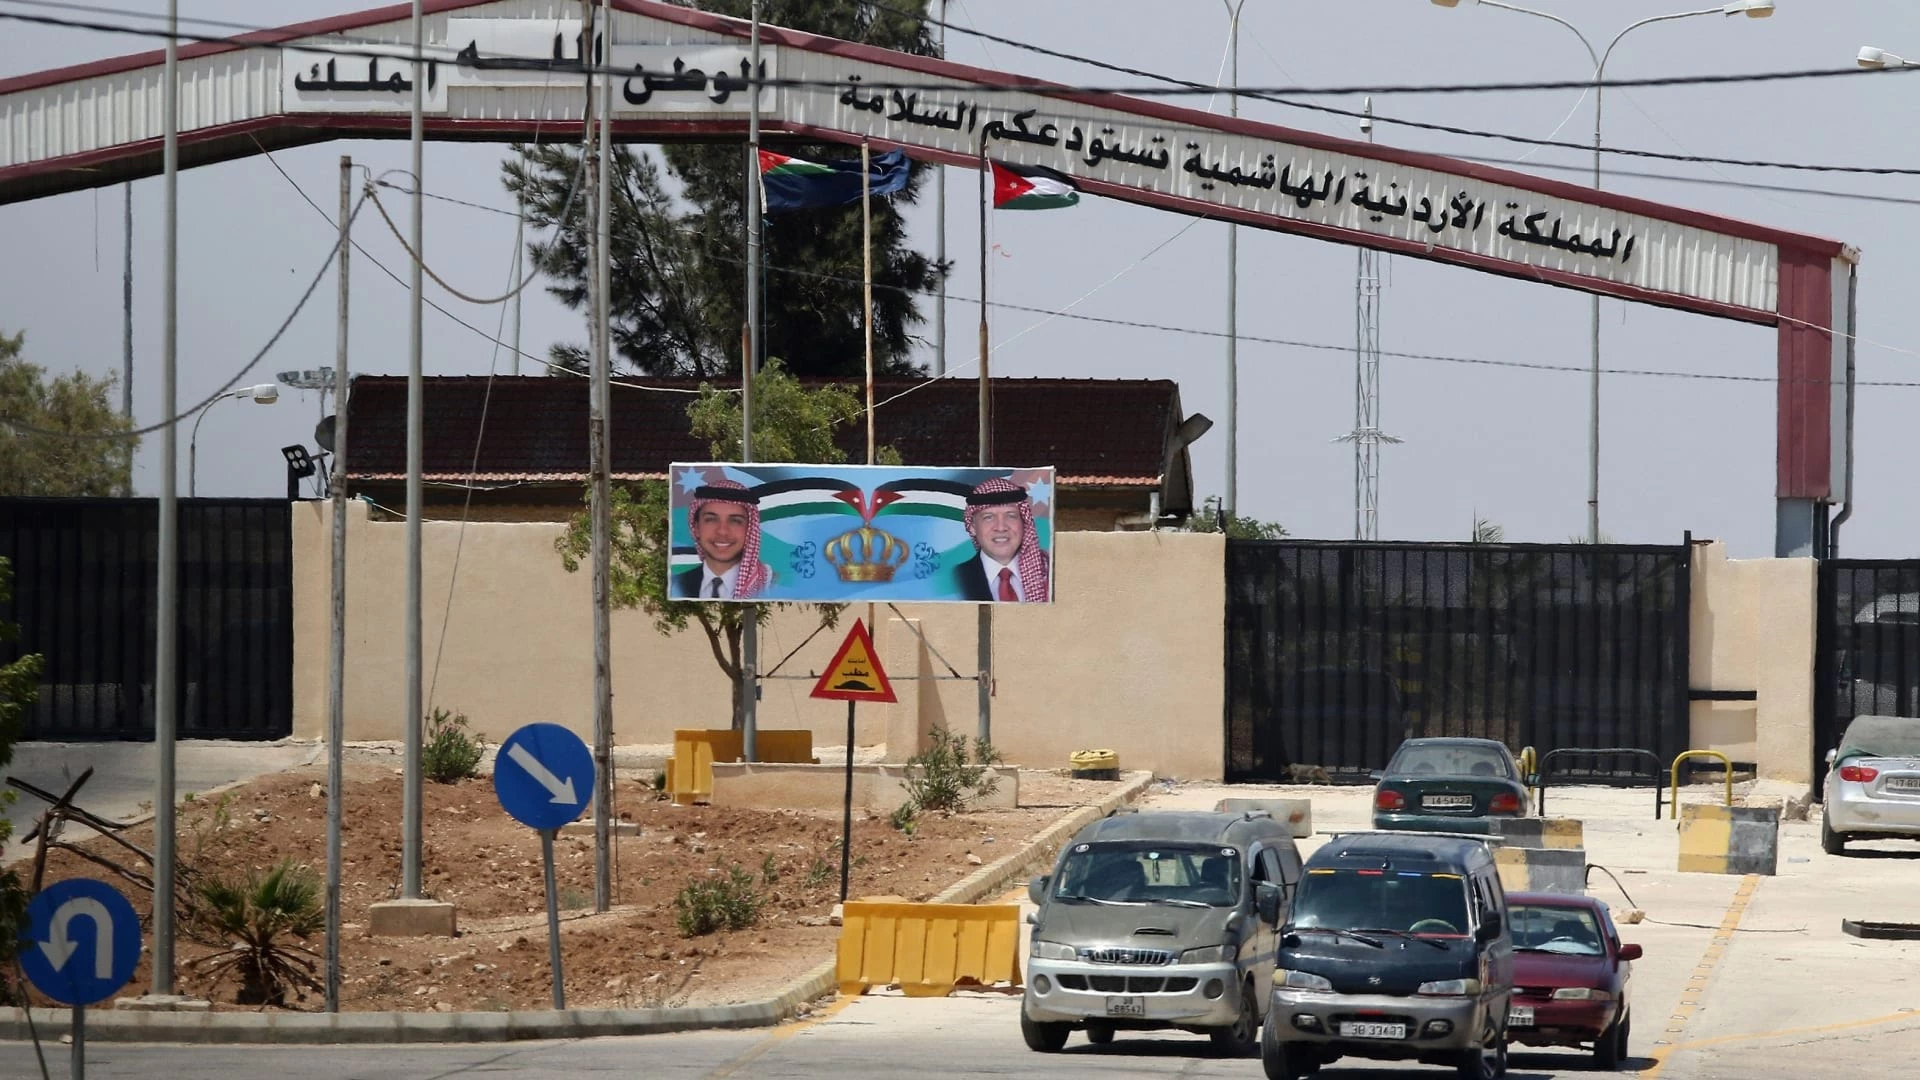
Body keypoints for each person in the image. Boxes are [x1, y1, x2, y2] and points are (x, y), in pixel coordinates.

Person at [956, 477, 1051, 602]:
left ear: (1024, 523)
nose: (1001, 528)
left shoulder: (1050, 572)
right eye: (988, 517)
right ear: (972, 527)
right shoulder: (956, 578)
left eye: (1011, 516)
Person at [674, 479, 772, 600]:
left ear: (749, 530)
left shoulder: (768, 585)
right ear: (696, 528)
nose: (722, 531)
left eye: (735, 521)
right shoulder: (677, 584)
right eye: (711, 519)